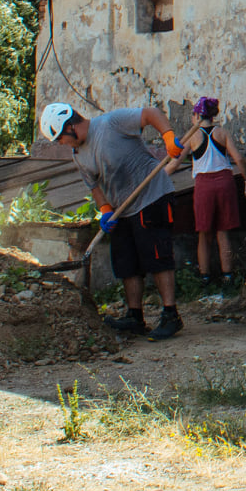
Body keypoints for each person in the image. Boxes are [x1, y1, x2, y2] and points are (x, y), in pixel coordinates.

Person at [40, 101, 185, 341]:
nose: (62, 144)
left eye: (60, 139)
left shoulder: (112, 123)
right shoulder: (79, 155)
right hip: (121, 209)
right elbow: (94, 185)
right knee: (126, 263)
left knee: (157, 257)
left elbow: (150, 113)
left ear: (70, 127)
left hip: (151, 196)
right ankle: (134, 316)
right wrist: (105, 209)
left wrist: (168, 137)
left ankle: (171, 315)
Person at [183, 96, 246, 293]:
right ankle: (227, 276)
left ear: (196, 116)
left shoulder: (192, 136)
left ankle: (205, 277)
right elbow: (238, 158)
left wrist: (161, 176)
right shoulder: (222, 133)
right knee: (223, 231)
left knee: (204, 233)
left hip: (204, 185)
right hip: (225, 183)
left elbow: (176, 161)